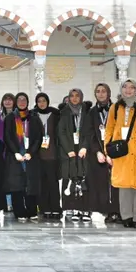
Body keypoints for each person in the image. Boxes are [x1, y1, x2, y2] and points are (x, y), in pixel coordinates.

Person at [104, 79, 136, 229]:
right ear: (121, 89)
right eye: (125, 87)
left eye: (132, 88)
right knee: (124, 185)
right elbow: (109, 129)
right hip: (121, 151)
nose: (128, 90)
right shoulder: (115, 107)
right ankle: (126, 216)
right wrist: (107, 150)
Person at [83, 83, 120, 223]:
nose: (101, 94)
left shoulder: (117, 109)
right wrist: (98, 151)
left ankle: (117, 210)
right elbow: (89, 133)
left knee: (115, 183)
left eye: (104, 91)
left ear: (109, 93)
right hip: (98, 153)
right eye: (98, 91)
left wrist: (112, 152)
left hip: (114, 151)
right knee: (101, 183)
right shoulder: (91, 112)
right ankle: (106, 210)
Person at [3, 92, 41, 222]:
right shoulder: (9, 118)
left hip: (31, 156)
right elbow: (7, 137)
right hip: (15, 156)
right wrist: (16, 152)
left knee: (30, 183)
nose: (22, 102)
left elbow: (38, 137)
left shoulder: (34, 118)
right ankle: (19, 211)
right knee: (17, 185)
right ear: (15, 102)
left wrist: (31, 152)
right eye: (19, 100)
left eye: (24, 99)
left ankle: (31, 210)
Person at [59, 88, 90, 222]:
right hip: (70, 152)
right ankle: (72, 208)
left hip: (83, 151)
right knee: (71, 179)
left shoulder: (87, 112)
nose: (75, 98)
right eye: (72, 96)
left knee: (84, 180)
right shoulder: (64, 112)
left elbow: (90, 131)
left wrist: (84, 146)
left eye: (77, 96)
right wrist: (68, 149)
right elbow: (61, 132)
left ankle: (85, 209)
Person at [33, 92, 61, 221]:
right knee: (42, 183)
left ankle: (55, 208)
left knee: (53, 183)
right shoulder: (33, 115)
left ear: (47, 101)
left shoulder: (55, 114)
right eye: (39, 101)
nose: (42, 103)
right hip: (38, 155)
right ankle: (44, 208)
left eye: (44, 100)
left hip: (52, 154)